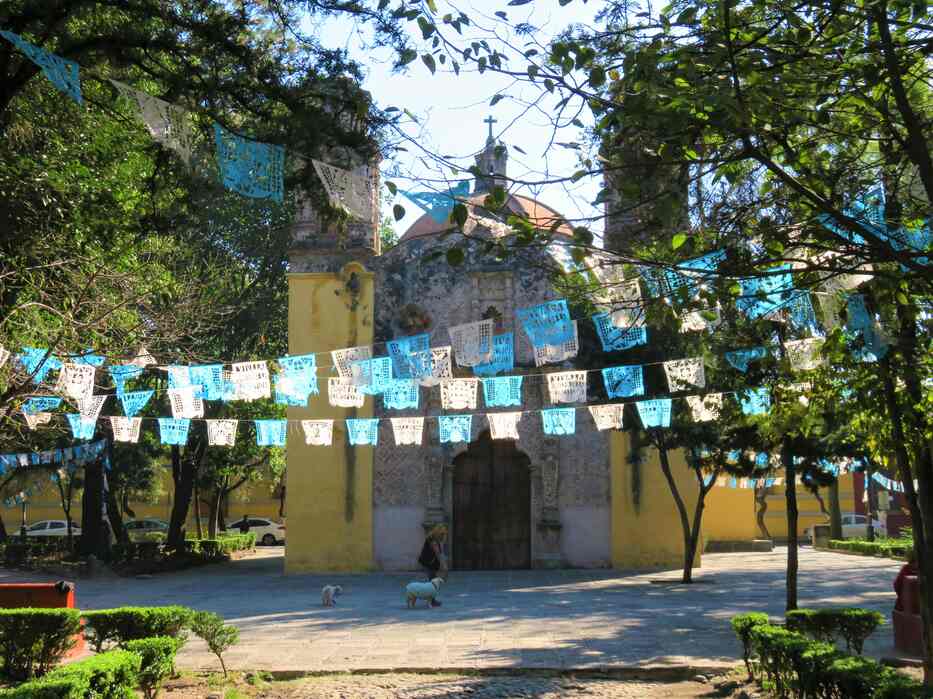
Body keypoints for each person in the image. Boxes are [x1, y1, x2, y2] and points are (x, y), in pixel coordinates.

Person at [418, 524, 448, 607]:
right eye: (442, 534)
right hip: (428, 563)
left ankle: (432, 600)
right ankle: (431, 601)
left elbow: (440, 552)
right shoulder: (433, 540)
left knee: (433, 582)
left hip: (430, 563)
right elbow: (438, 553)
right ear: (439, 533)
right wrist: (444, 565)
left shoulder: (434, 539)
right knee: (433, 582)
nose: (444, 536)